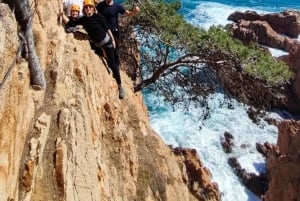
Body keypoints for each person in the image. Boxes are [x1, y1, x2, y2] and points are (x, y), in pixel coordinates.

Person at [67, 0, 125, 99]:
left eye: (90, 7)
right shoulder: (83, 19)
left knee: (113, 65)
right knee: (102, 56)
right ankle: (105, 57)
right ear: (84, 10)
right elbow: (71, 23)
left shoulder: (99, 17)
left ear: (93, 8)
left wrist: (113, 41)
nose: (88, 9)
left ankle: (120, 86)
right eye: (86, 7)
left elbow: (107, 29)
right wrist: (71, 27)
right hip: (96, 44)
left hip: (106, 43)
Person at [96, 0, 140, 65]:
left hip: (115, 31)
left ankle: (115, 68)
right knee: (107, 49)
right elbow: (94, 14)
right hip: (104, 31)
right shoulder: (100, 5)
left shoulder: (117, 6)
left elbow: (129, 14)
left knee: (116, 53)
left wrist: (134, 12)